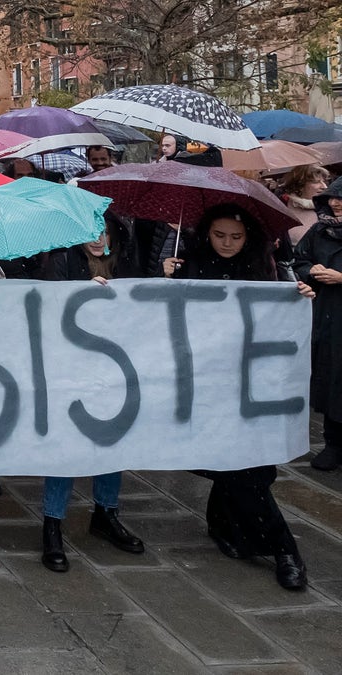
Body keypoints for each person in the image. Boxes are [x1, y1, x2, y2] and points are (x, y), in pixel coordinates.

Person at [164, 203, 314, 590]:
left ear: (250, 237)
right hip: (204, 389)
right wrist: (161, 281)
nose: (227, 243)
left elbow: (276, 319)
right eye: (219, 235)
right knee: (238, 466)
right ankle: (284, 550)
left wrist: (297, 295)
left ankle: (229, 528)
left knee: (248, 467)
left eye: (236, 236)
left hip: (250, 389)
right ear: (205, 234)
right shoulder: (188, 268)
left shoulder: (267, 271)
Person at [39, 216, 146, 573]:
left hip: (115, 372)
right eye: (89, 233)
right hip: (69, 370)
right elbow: (46, 308)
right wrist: (79, 292)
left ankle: (106, 512)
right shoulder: (62, 263)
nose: (97, 239)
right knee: (66, 448)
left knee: (112, 443)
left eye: (103, 232)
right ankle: (52, 524)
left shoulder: (127, 265)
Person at [295, 177, 342, 472]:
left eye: (340, 199)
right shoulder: (318, 231)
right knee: (330, 377)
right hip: (326, 315)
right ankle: (333, 444)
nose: (335, 203)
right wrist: (309, 269)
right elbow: (297, 260)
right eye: (331, 199)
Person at [282, 165, 331, 244]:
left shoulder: (332, 207)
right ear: (300, 184)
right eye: (316, 182)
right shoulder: (282, 206)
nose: (324, 187)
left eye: (324, 182)